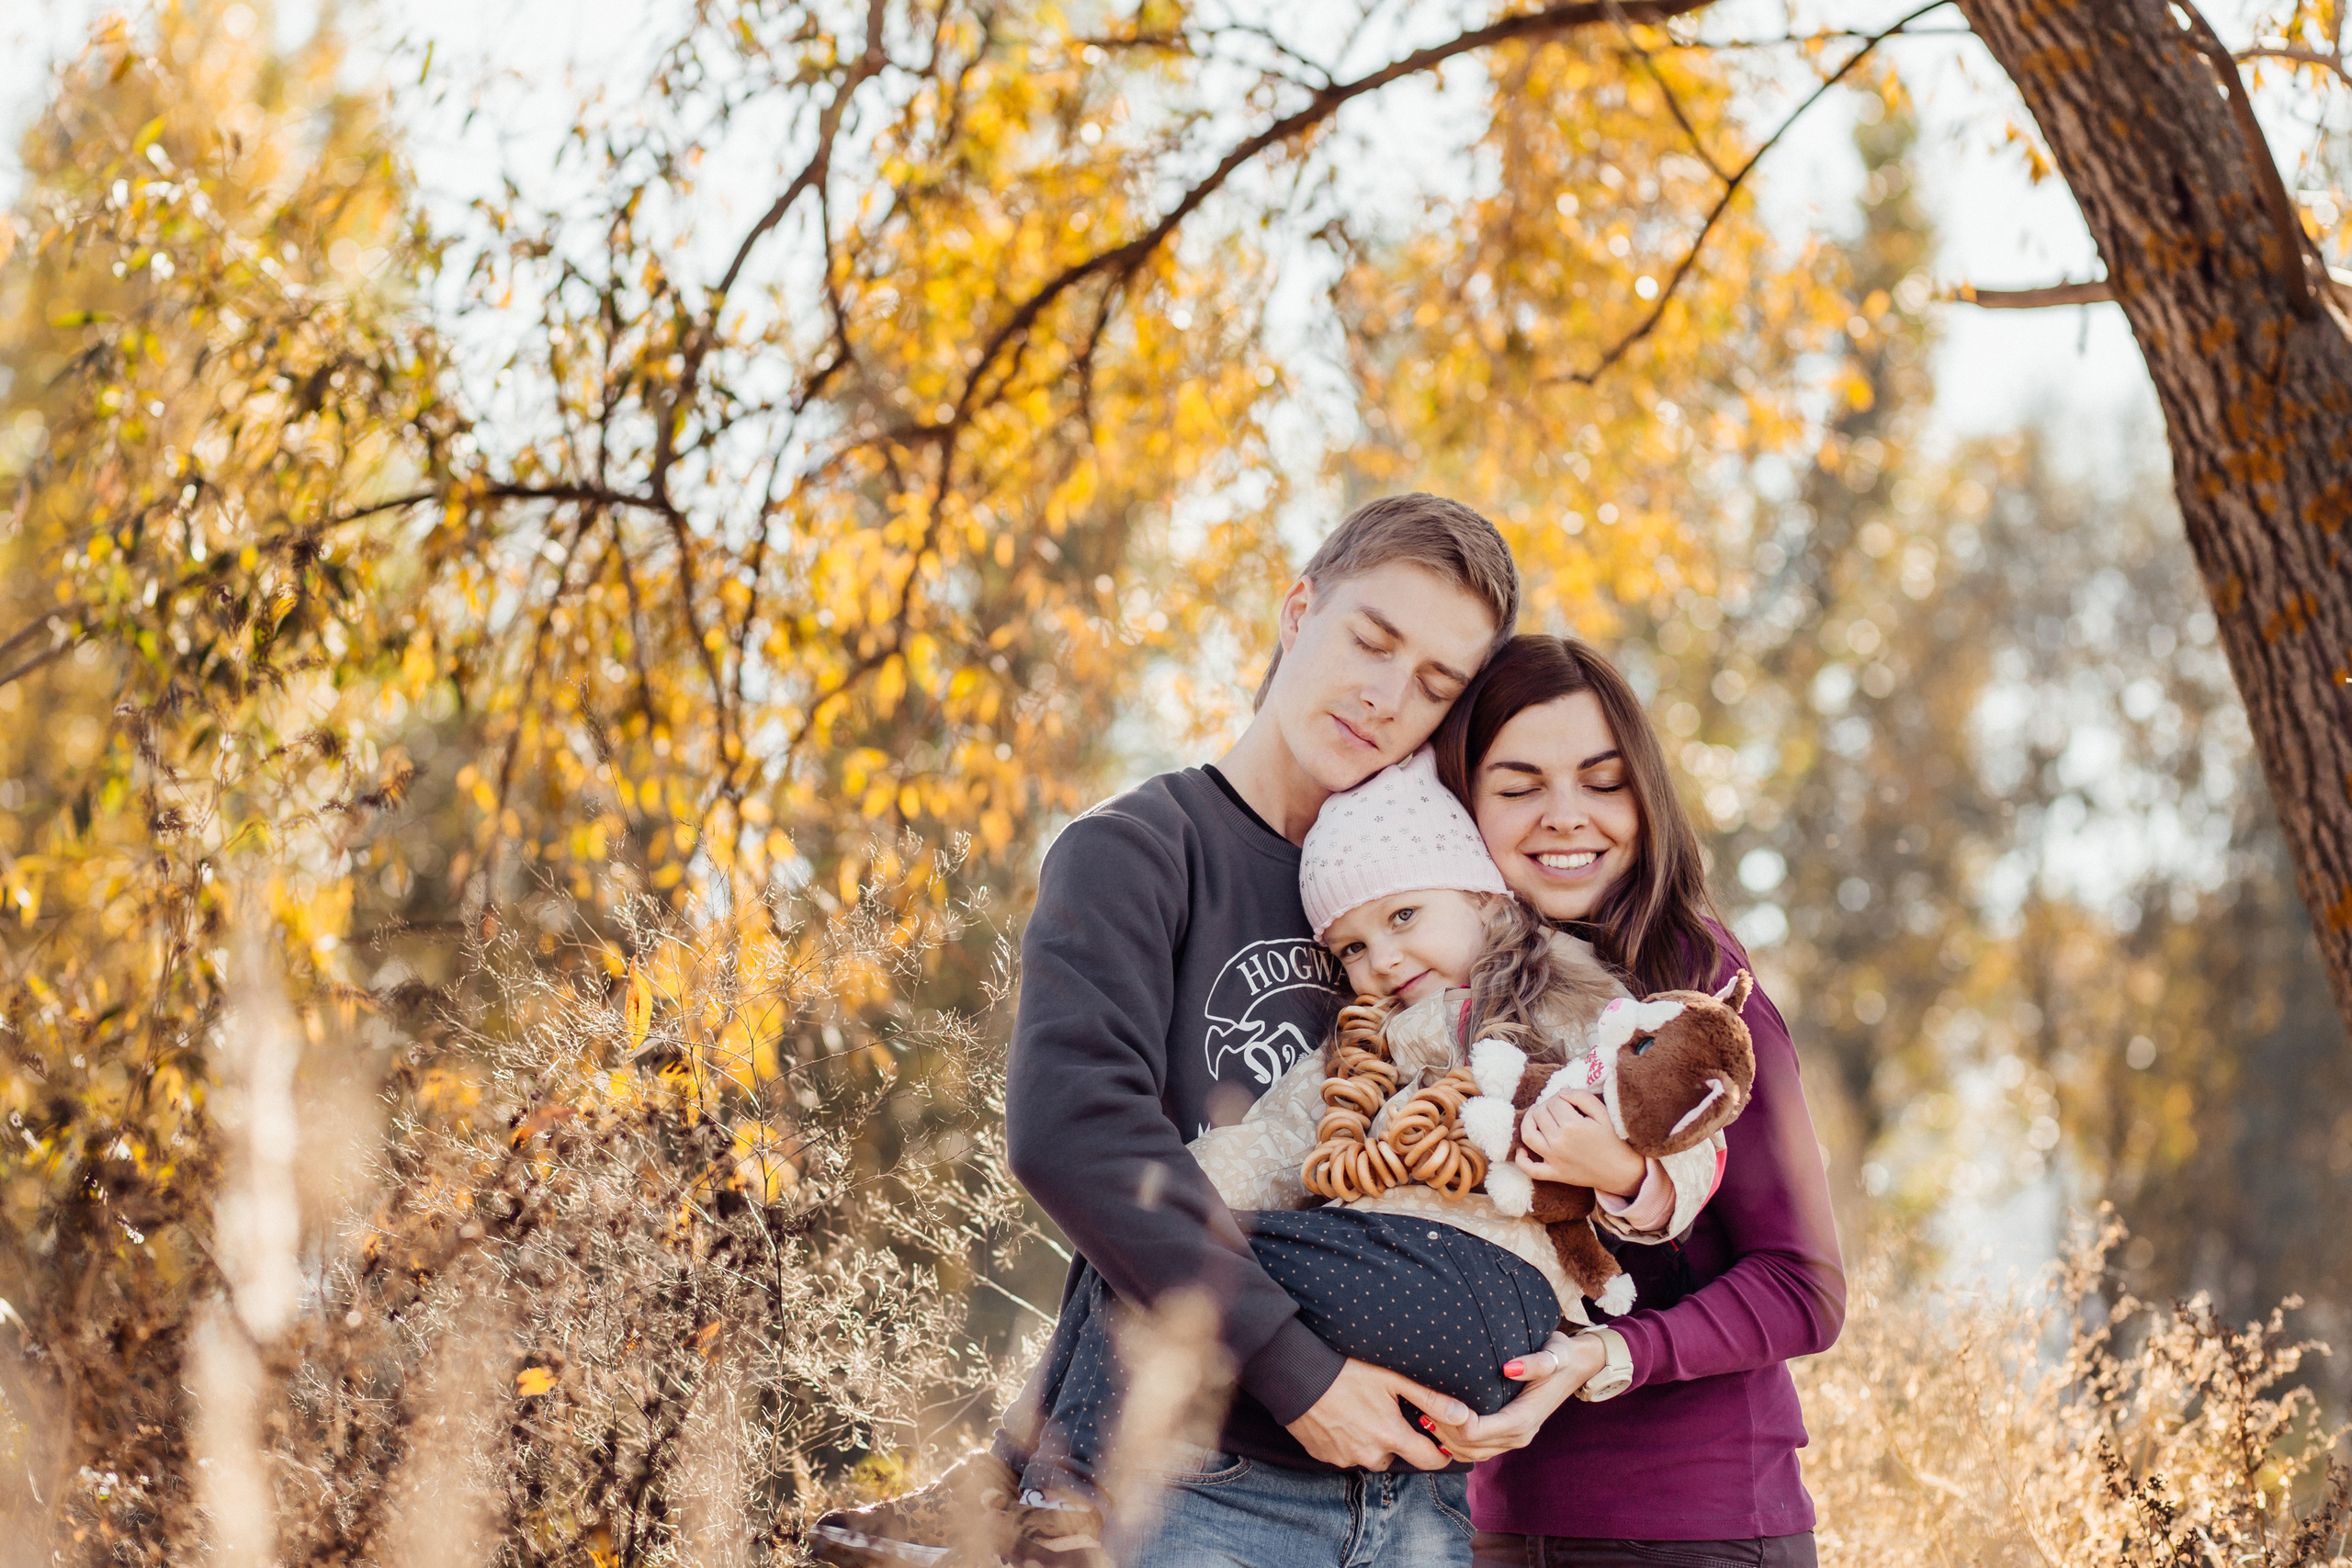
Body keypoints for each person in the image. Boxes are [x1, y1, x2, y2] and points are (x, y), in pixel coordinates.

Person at [810, 494, 1527, 1568]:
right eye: (1372, 641)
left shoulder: (1442, 885)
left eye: (1434, 685)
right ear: (1298, 613)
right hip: (1195, 1483)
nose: (1387, 698)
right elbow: (1078, 1136)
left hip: (1420, 1496)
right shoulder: (1138, 852)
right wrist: (1300, 1374)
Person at [998, 746, 1728, 1563]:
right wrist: (1164, 1189)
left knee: (1154, 1254)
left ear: (1485, 898)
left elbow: (1692, 1133)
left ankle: (1046, 1495)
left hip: (1478, 1283)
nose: (1380, 959)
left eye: (1404, 916)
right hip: (1421, 1313)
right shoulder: (1373, 1040)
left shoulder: (1583, 1003)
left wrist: (1625, 1173)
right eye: (1350, 947)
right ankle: (1035, 1491)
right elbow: (1276, 1140)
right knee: (1144, 1236)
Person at [1419, 634, 1846, 1567]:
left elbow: (1802, 1288)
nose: (1565, 818)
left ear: (1643, 797)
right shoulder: (1440, 988)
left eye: (1602, 782)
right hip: (1494, 1526)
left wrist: (1623, 1202)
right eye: (1519, 785)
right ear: (1461, 804)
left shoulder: (1698, 982)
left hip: (1694, 1527)